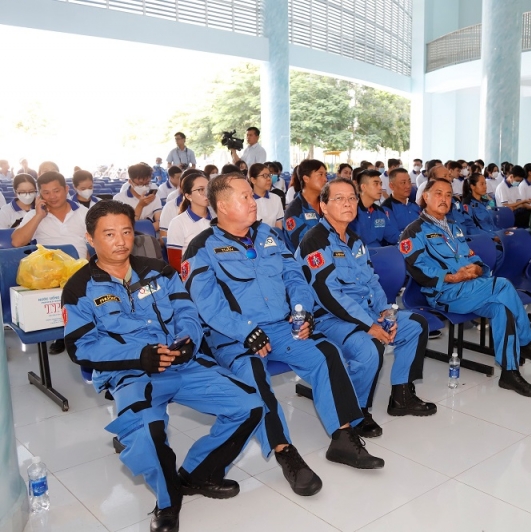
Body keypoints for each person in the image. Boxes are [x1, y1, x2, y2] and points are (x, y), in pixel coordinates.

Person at [61, 200, 263, 532]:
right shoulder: (80, 288)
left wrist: (186, 343)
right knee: (149, 432)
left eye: (126, 231)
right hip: (131, 373)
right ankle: (168, 501)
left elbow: (188, 313)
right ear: (89, 238)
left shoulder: (159, 270)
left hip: (182, 363)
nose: (121, 241)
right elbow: (82, 345)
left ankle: (199, 474)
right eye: (109, 234)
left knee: (250, 405)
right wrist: (141, 355)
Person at [182, 173, 384, 471]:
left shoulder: (269, 235)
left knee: (327, 353)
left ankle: (342, 437)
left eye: (252, 195)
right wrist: (246, 331)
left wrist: (302, 311)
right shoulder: (201, 248)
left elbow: (295, 277)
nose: (254, 202)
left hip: (282, 326)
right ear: (223, 206)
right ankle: (285, 451)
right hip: (234, 336)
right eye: (246, 197)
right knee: (253, 373)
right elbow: (207, 305)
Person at [298, 178, 436, 431]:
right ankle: (357, 411)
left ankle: (402, 396)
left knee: (416, 324)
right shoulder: (315, 241)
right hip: (328, 319)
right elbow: (328, 295)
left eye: (351, 198)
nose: (348, 203)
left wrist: (385, 310)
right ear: (323, 206)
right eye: (339, 198)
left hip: (366, 312)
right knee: (370, 347)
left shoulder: (354, 240)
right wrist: (369, 324)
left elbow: (371, 281)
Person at [401, 178, 531, 397]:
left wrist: (478, 270)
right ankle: (527, 341)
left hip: (473, 287)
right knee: (502, 285)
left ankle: (509, 373)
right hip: (445, 293)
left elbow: (475, 258)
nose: (444, 199)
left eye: (448, 195)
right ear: (425, 197)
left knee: (502, 308)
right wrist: (453, 277)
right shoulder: (413, 232)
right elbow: (417, 269)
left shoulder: (454, 228)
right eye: (438, 194)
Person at [12, 172, 89, 355]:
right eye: (46, 193)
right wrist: (39, 216)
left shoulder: (83, 213)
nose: (52, 197)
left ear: (66, 190)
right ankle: (63, 333)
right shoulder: (34, 214)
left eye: (56, 191)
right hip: (49, 276)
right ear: (40, 195)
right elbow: (17, 242)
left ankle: (81, 332)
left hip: (80, 269)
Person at [283, 159, 327, 252]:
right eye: (320, 175)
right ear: (306, 178)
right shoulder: (294, 210)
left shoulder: (327, 204)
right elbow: (304, 245)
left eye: (325, 175)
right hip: (306, 261)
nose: (325, 179)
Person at [166, 173, 212, 253]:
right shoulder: (178, 223)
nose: (206, 193)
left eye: (208, 189)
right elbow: (175, 261)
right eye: (201, 190)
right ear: (188, 196)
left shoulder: (218, 218)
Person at [113, 163, 162, 232]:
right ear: (130, 181)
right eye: (140, 184)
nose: (144, 187)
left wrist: (144, 232)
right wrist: (140, 206)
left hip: (149, 236)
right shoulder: (119, 199)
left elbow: (160, 222)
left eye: (147, 183)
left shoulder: (154, 198)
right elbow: (123, 225)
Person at [159, 168, 205, 240]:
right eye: (201, 189)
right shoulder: (170, 207)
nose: (205, 192)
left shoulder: (211, 207)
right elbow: (163, 238)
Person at [350, 169, 391, 248]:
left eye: (380, 184)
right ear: (363, 187)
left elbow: (392, 235)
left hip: (378, 254)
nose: (380, 188)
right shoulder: (351, 210)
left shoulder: (380, 212)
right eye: (376, 184)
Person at [382, 167, 420, 245]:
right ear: (392, 186)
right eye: (403, 183)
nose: (408, 186)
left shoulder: (414, 205)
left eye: (409, 182)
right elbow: (393, 236)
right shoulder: (386, 208)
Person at [248, 163, 284, 228]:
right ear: (253, 180)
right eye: (264, 176)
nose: (269, 179)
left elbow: (278, 227)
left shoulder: (276, 199)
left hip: (272, 237)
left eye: (269, 175)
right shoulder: (247, 201)